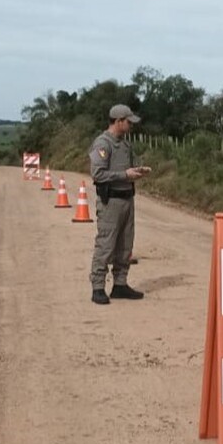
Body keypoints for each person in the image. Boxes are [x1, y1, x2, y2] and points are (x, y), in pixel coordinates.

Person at [88, 104, 149, 305]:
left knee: (125, 244)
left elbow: (126, 169)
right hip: (110, 201)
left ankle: (120, 284)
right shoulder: (103, 144)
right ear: (118, 121)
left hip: (127, 198)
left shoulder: (124, 145)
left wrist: (137, 172)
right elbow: (98, 174)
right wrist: (124, 175)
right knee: (106, 243)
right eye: (128, 121)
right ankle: (98, 286)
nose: (130, 125)